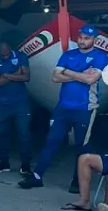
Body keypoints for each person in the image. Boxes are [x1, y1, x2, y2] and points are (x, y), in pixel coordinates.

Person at [19, 25, 108, 191]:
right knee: (52, 141)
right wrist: (80, 74)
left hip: (85, 108)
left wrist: (67, 72)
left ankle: (78, 181)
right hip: (63, 107)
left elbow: (91, 80)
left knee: (82, 147)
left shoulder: (100, 56)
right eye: (80, 37)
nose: (82, 41)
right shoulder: (68, 54)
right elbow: (55, 77)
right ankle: (37, 176)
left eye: (87, 38)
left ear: (94, 40)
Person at [0, 42, 32, 174]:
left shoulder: (20, 56)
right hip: (0, 104)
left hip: (20, 103)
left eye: (7, 53)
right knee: (1, 134)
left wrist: (6, 75)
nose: (5, 56)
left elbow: (26, 77)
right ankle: (4, 163)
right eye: (3, 55)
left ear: (10, 49)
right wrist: (16, 73)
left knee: (24, 134)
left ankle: (26, 164)